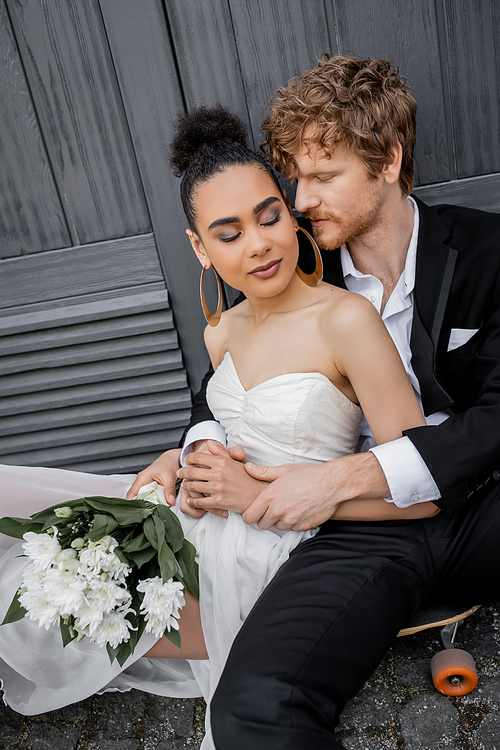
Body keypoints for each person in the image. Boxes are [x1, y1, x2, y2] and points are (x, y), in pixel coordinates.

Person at [0, 104, 435, 748]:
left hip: (282, 553)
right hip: (195, 517)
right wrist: (183, 456)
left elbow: (420, 498)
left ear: (291, 214)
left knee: (59, 613)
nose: (259, 243)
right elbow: (224, 423)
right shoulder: (221, 331)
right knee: (36, 551)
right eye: (228, 234)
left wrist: (259, 496)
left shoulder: (345, 322)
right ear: (199, 248)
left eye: (270, 216)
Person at [130, 57, 500, 749]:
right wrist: (194, 448)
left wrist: (336, 481)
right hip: (359, 535)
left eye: (321, 177)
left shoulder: (488, 252)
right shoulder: (290, 266)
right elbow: (229, 377)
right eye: (293, 178)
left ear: (388, 160)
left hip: (477, 500)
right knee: (249, 711)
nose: (298, 201)